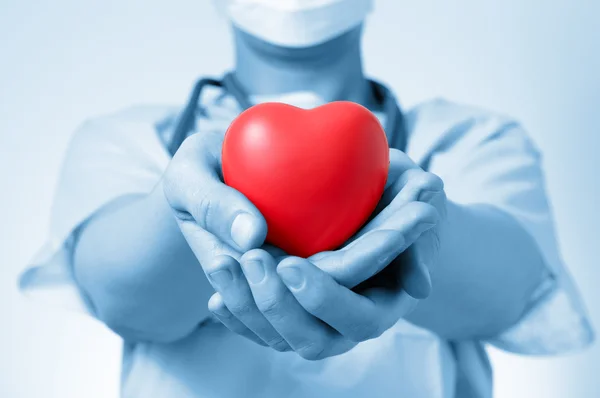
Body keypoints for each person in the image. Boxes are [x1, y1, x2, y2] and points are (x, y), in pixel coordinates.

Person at [19, 1, 594, 397]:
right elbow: (122, 300)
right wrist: (188, 202)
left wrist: (413, 218)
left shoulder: (473, 138)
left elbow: (506, 295)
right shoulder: (127, 140)